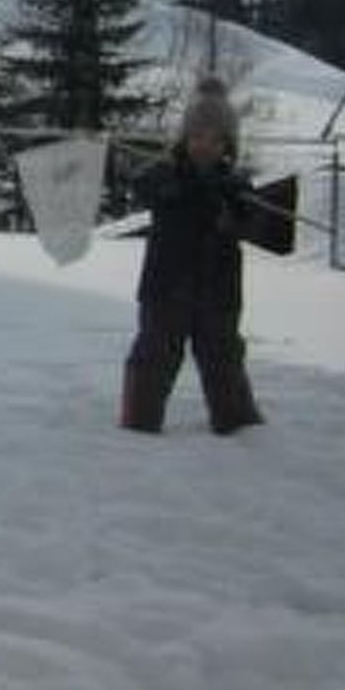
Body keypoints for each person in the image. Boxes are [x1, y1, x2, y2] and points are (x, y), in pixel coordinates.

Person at [120, 76, 267, 436]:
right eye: (197, 137)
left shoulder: (235, 185)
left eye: (215, 140)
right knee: (154, 356)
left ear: (227, 145)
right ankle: (138, 423)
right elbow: (140, 186)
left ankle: (239, 426)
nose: (205, 146)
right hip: (166, 286)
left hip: (218, 291)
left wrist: (233, 213)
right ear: (184, 139)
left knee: (223, 357)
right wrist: (174, 188)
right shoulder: (165, 174)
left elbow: (254, 225)